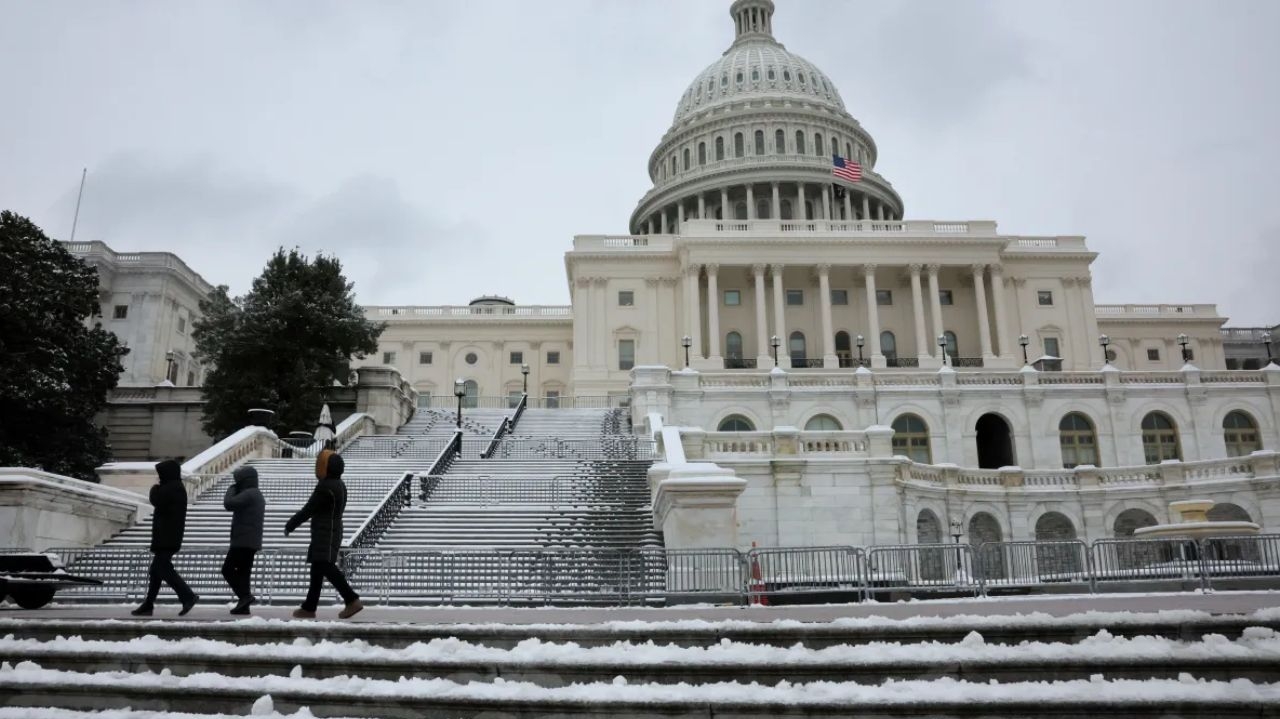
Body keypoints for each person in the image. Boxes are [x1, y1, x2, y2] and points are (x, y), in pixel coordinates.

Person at [285, 449, 363, 619]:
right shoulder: (339, 484)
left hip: (324, 531)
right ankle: (309, 606)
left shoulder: (326, 486)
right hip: (332, 530)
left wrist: (291, 524)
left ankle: (351, 599)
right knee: (317, 569)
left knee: (326, 566)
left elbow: (309, 509)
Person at [132, 459, 198, 616]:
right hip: (167, 536)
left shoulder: (172, 487)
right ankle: (149, 604)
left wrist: (154, 488)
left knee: (162, 568)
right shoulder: (174, 487)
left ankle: (188, 596)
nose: (158, 477)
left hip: (167, 537)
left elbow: (156, 500)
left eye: (160, 474)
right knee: (156, 571)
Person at [222, 465, 265, 615]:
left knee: (227, 570)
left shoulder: (249, 494)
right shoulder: (256, 493)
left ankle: (245, 597)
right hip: (250, 541)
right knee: (243, 573)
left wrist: (232, 488)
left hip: (242, 541)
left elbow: (228, 503)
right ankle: (244, 605)